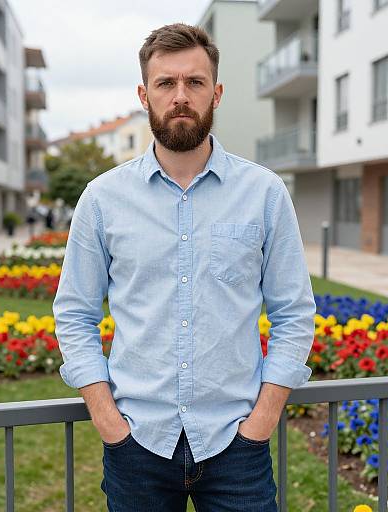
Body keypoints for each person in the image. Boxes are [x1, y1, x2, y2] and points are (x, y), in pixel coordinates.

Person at [52, 23, 315, 511]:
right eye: (165, 83)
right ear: (143, 94)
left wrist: (261, 423)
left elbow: (294, 314)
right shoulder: (103, 199)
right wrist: (110, 424)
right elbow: (73, 314)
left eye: (194, 83)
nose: (180, 96)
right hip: (138, 448)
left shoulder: (264, 193)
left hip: (237, 447)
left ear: (216, 93)